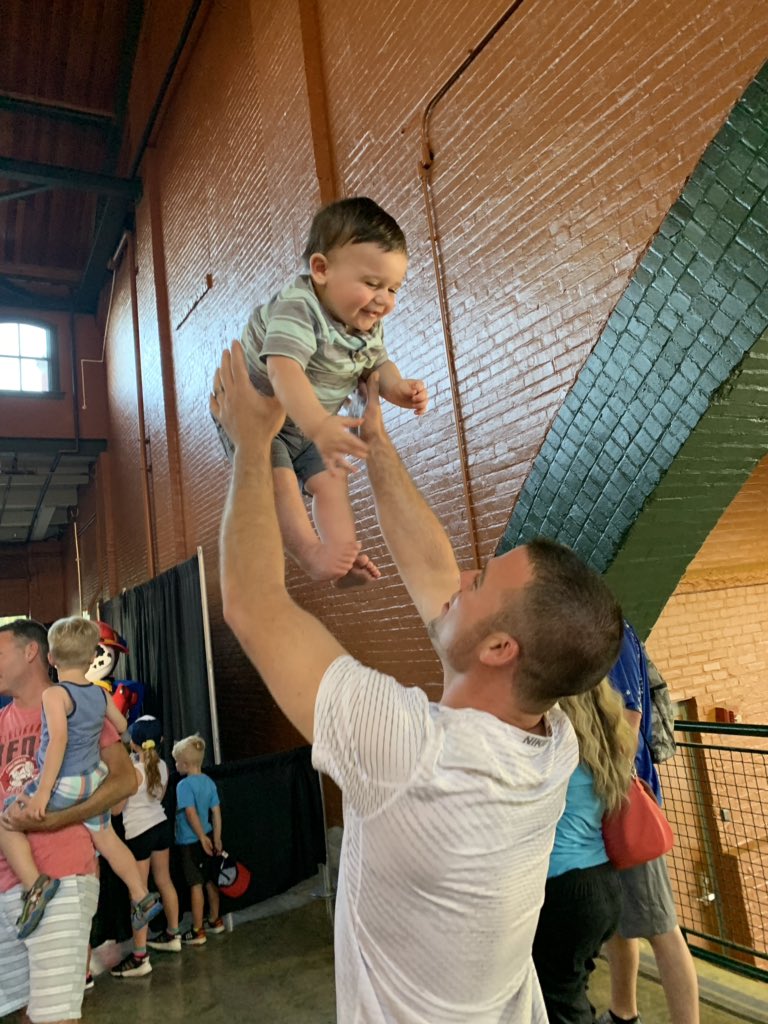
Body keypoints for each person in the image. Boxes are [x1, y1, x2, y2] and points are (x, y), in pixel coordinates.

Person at [209, 342, 624, 1022]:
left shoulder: (416, 755)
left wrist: (253, 446)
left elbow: (254, 606)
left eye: (481, 582)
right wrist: (377, 444)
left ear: (498, 648)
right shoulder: (551, 740)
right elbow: (437, 576)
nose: (462, 577)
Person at [219, 196, 428, 588]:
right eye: (371, 284)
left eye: (393, 288)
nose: (384, 300)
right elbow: (283, 371)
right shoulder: (299, 307)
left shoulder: (364, 324)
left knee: (332, 480)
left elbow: (378, 364)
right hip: (262, 417)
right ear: (321, 269)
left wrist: (398, 388)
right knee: (280, 482)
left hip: (314, 422)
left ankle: (341, 557)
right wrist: (318, 425)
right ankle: (312, 555)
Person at [0, 618, 138, 1024]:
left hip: (61, 876)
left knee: (55, 1016)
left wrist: (54, 818)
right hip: (10, 884)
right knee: (28, 1011)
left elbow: (125, 779)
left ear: (31, 653)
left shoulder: (76, 704)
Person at [0, 616, 161, 940]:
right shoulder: (99, 696)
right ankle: (140, 893)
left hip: (66, 804)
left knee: (6, 814)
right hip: (89, 778)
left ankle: (36, 884)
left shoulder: (56, 698)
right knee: (109, 841)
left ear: (42, 655)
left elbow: (60, 742)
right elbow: (121, 725)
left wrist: (44, 799)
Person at [599, 623, 699, 1024]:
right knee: (618, 925)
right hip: (603, 803)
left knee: (661, 926)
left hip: (623, 802)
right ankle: (623, 1012)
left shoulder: (610, 631)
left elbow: (628, 719)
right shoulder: (593, 626)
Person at [532, 679, 635, 1023]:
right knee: (569, 991)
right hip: (602, 883)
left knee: (558, 1000)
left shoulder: (556, 739)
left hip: (564, 889)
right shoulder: (601, 740)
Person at [109, 715, 182, 978]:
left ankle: (140, 957)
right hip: (161, 827)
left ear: (133, 744)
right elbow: (159, 796)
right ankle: (173, 934)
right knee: (164, 881)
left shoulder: (131, 772)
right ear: (160, 740)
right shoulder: (161, 765)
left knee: (139, 894)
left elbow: (116, 810)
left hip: (139, 835)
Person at [172, 733, 224, 945]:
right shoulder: (209, 783)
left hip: (191, 841)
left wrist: (201, 836)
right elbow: (216, 812)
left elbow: (190, 812)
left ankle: (197, 929)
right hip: (211, 837)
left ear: (184, 763)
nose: (175, 765)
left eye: (176, 761)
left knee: (196, 884)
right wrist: (216, 837)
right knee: (211, 880)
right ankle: (215, 919)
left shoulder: (183, 786)